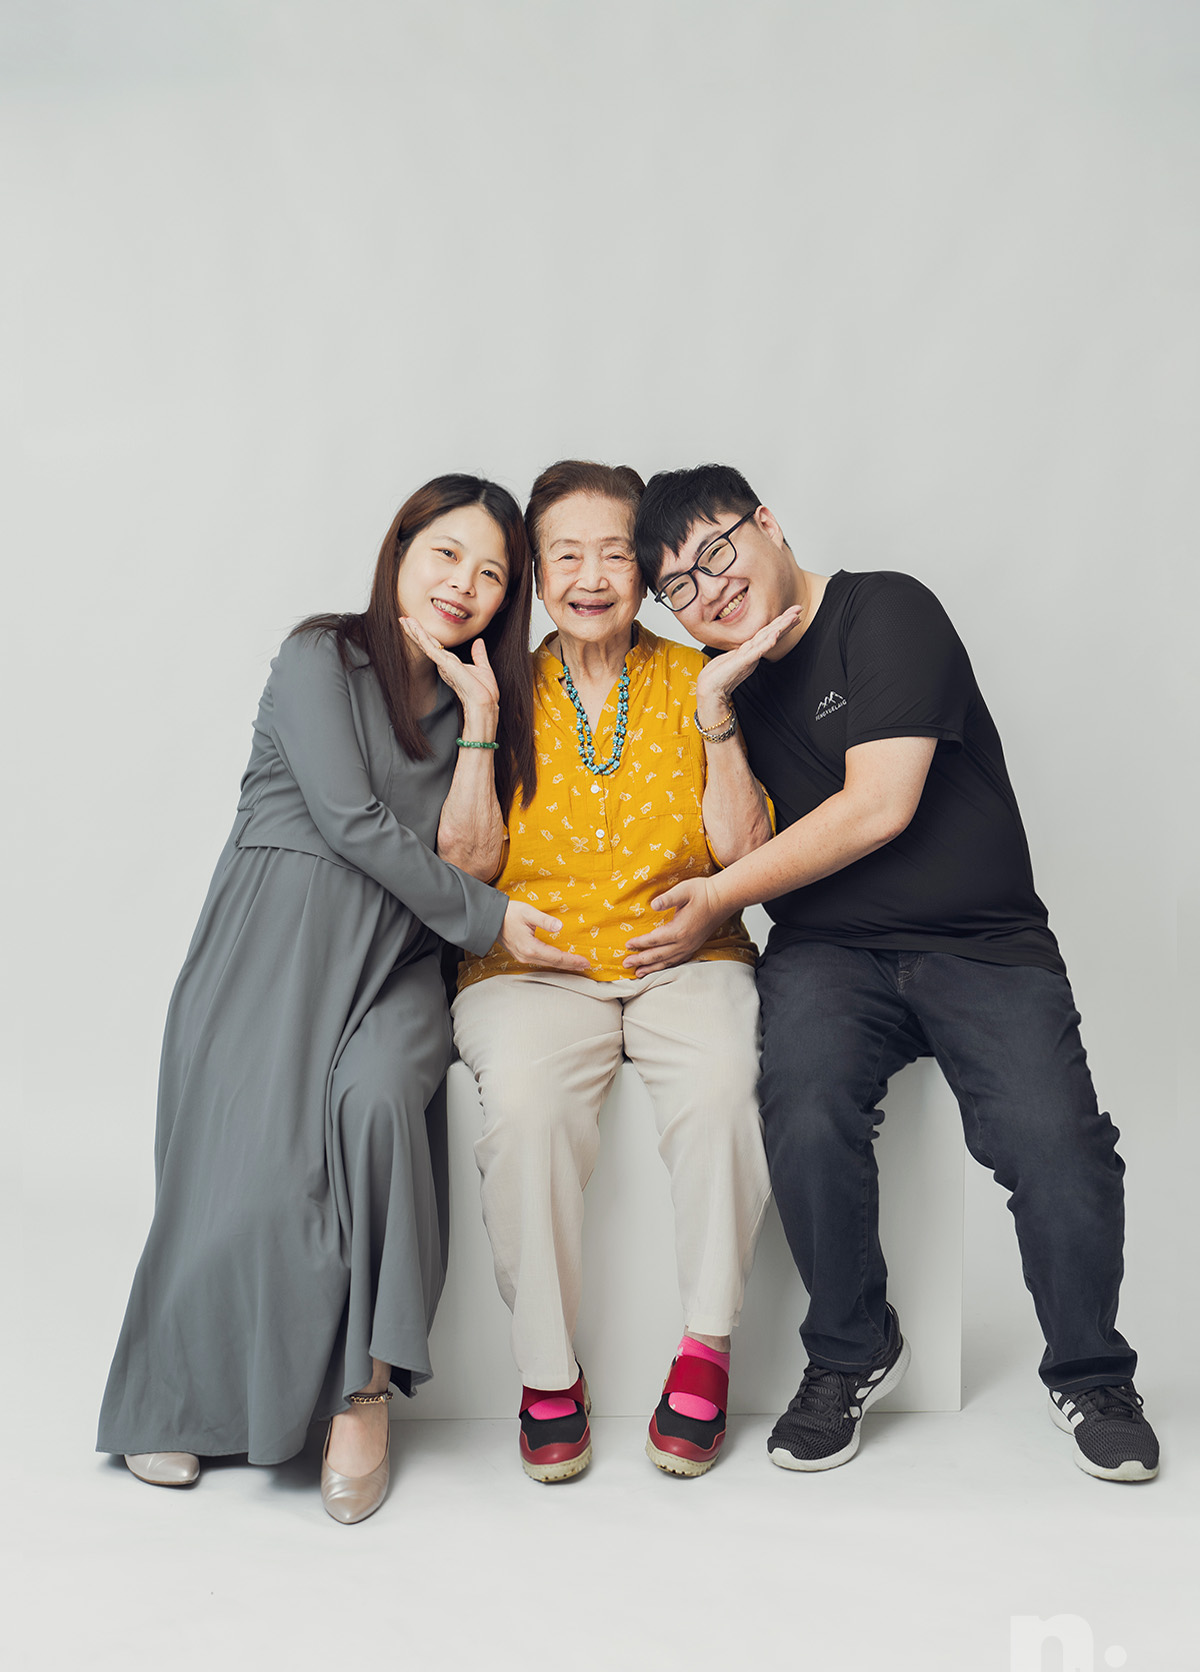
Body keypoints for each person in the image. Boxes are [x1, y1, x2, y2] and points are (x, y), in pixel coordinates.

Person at [630, 464, 1160, 1484]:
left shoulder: (885, 610)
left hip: (981, 940)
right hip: (828, 952)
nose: (710, 589)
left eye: (718, 551)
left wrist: (718, 897)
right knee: (802, 1107)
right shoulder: (724, 677)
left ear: (767, 523)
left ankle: (1092, 1373)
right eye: (679, 586)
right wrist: (715, 707)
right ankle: (851, 1348)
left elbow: (880, 805)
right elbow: (741, 846)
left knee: (1055, 1143)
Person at [97, 473, 587, 1523]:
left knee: (378, 1104)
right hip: (275, 943)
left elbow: (471, 855)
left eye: (493, 575)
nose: (465, 585)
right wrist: (494, 921)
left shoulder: (484, 702)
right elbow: (351, 820)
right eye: (447, 554)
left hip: (402, 961)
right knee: (254, 1166)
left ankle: (364, 1394)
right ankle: (177, 1393)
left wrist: (482, 719)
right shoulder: (319, 657)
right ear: (400, 549)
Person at [450, 459, 781, 1482]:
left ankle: (707, 1347)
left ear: (643, 570)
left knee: (726, 1082)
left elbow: (745, 854)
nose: (591, 577)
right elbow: (466, 866)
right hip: (529, 969)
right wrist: (476, 725)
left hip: (690, 951)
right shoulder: (500, 687)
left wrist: (717, 709)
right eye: (566, 556)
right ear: (537, 575)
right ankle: (548, 1373)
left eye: (612, 554)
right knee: (526, 1108)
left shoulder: (696, 675)